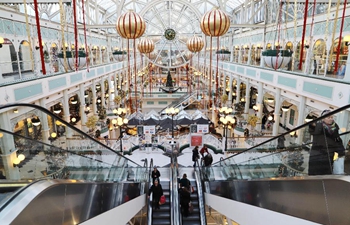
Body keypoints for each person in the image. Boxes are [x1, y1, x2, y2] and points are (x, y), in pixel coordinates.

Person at [308, 110, 345, 175]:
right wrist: (312, 123)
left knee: (326, 173)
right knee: (315, 173)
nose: (330, 119)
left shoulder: (335, 127)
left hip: (329, 155)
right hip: (317, 155)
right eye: (328, 117)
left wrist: (340, 151)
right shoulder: (318, 126)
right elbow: (311, 130)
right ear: (323, 118)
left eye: (331, 117)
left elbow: (337, 140)